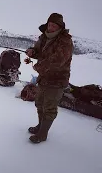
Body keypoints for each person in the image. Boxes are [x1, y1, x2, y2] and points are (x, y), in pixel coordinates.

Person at [25, 13, 74, 143]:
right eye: (50, 24)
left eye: (54, 25)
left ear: (60, 27)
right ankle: (40, 126)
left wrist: (38, 68)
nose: (51, 27)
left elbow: (58, 61)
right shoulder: (44, 37)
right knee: (40, 103)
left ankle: (43, 134)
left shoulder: (65, 41)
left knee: (49, 108)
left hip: (57, 80)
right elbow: (38, 51)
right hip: (44, 78)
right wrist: (31, 51)